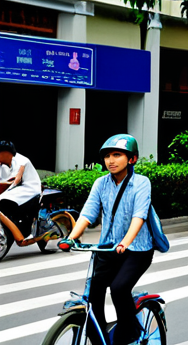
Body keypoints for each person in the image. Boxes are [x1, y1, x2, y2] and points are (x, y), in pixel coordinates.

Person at [62, 134, 153, 345]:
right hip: (107, 249)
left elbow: (139, 216)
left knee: (120, 289)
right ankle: (99, 339)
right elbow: (87, 214)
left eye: (117, 155)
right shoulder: (101, 184)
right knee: (94, 292)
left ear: (132, 159)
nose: (110, 160)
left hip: (137, 250)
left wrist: (126, 242)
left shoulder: (141, 183)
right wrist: (71, 238)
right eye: (107, 156)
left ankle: (129, 335)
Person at [0, 141, 42, 238]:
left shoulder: (22, 161)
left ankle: (15, 230)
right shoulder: (3, 164)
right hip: (16, 189)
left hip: (29, 188)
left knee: (3, 199)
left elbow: (15, 180)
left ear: (6, 153)